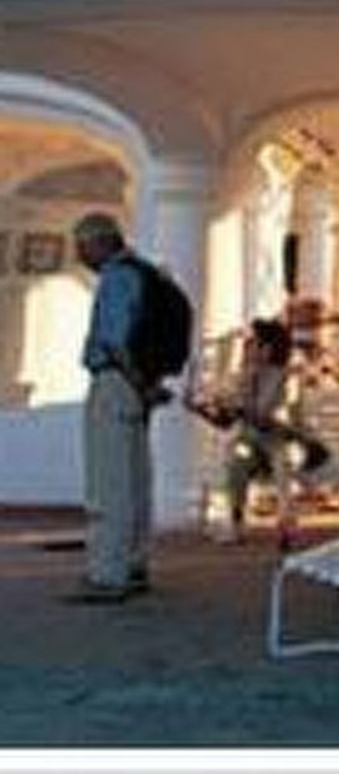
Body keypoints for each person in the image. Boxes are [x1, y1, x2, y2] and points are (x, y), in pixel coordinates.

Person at [70, 211, 161, 603]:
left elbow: (113, 341)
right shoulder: (146, 274)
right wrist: (146, 387)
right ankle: (134, 564)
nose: (79, 254)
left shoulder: (117, 278)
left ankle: (108, 574)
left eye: (82, 245)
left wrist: (136, 382)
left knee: (110, 482)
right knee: (134, 478)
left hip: (115, 382)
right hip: (136, 386)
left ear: (101, 242)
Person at [185, 316, 321, 542]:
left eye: (255, 343)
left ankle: (286, 523)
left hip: (285, 441)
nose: (249, 348)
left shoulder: (287, 377)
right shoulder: (244, 377)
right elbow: (226, 421)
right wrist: (202, 410)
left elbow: (278, 416)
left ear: (268, 348)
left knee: (282, 457)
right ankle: (237, 523)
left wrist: (244, 410)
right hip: (253, 446)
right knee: (237, 457)